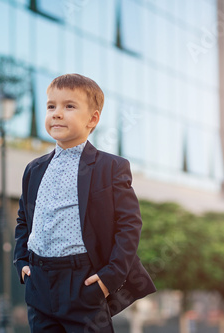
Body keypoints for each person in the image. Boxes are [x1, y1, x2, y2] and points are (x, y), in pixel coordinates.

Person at [13, 73, 156, 332]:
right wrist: (21, 261)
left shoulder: (110, 167)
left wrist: (108, 278)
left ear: (93, 119)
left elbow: (129, 224)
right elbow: (24, 219)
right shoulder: (34, 169)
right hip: (39, 282)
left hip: (83, 281)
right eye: (51, 106)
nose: (57, 113)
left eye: (69, 106)